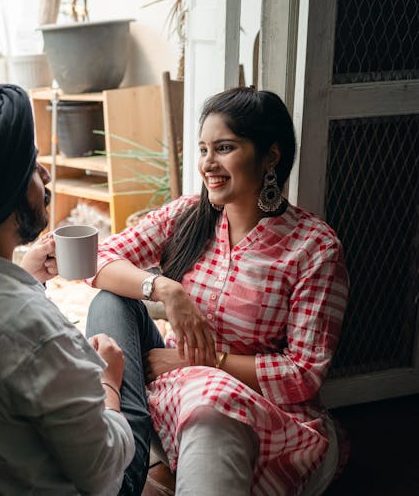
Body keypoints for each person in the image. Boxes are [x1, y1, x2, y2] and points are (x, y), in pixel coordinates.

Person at [85, 87, 349, 495]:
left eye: (224, 148)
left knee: (212, 401)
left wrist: (206, 362)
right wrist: (167, 289)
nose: (208, 163)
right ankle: (130, 461)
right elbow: (97, 259)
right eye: (204, 149)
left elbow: (304, 374)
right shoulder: (189, 216)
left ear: (271, 157)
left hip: (257, 409)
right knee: (111, 301)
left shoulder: (313, 247)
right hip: (174, 383)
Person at [0, 84, 134, 495]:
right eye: (34, 168)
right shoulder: (37, 332)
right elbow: (104, 477)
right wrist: (109, 381)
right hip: (102, 480)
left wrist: (24, 275)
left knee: (117, 310)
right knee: (118, 307)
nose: (46, 177)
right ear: (4, 198)